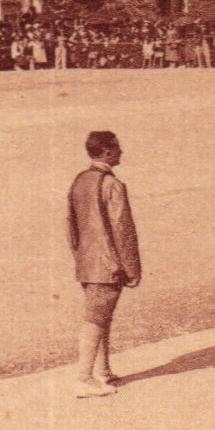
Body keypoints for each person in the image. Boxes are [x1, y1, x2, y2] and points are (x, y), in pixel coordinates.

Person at [66, 131, 141, 399]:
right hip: (108, 264)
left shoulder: (80, 181)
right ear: (107, 152)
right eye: (118, 149)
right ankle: (84, 377)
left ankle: (102, 372)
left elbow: (70, 227)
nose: (121, 153)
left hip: (86, 262)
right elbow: (123, 230)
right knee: (96, 318)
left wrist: (79, 256)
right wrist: (132, 269)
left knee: (100, 316)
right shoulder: (111, 184)